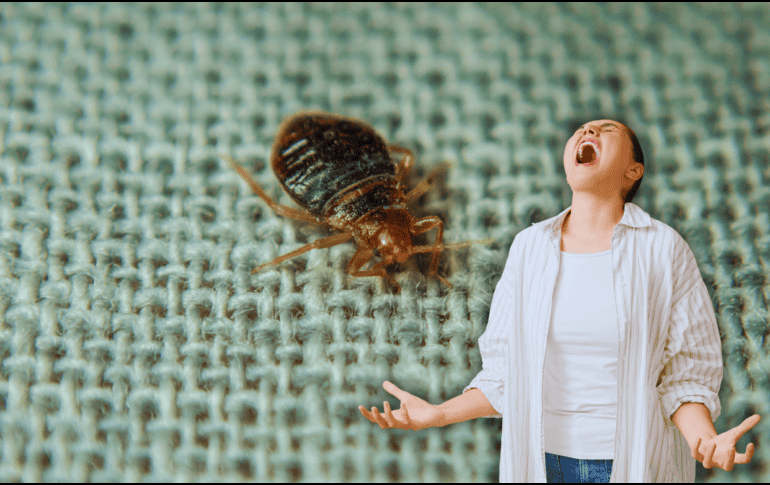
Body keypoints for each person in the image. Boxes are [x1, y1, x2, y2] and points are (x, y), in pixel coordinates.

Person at [358, 120, 761, 482]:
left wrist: (704, 439)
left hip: (634, 463)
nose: (588, 133)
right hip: (544, 462)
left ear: (633, 171)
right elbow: (505, 373)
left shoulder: (663, 248)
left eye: (606, 130)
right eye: (581, 130)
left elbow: (685, 375)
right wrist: (439, 413)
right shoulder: (530, 247)